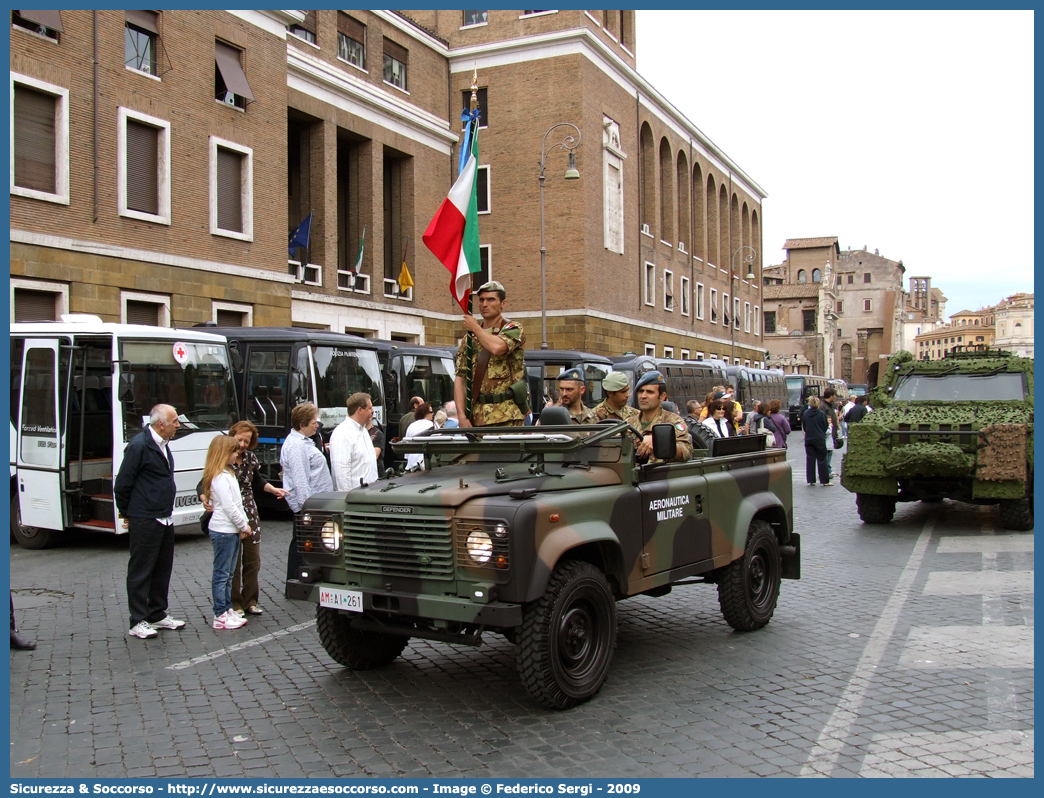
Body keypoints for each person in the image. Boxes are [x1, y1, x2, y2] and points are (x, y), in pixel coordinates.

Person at [114, 403, 186, 640]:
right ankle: (137, 620)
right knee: (141, 570)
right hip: (146, 517)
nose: (178, 425)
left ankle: (157, 613)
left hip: (164, 516)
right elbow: (123, 484)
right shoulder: (139, 446)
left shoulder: (164, 444)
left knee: (162, 568)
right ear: (161, 424)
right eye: (175, 421)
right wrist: (129, 512)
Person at [226, 421, 288, 617]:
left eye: (247, 441)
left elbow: (258, 480)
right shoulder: (223, 456)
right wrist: (204, 496)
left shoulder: (250, 458)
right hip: (230, 512)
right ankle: (235, 603)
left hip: (250, 511)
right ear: (232, 435)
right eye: (240, 440)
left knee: (253, 560)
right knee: (233, 562)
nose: (243, 444)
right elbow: (206, 480)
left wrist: (273, 489)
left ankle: (250, 601)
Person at [453, 281, 526, 428]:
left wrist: (474, 328)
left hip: (506, 417)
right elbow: (460, 378)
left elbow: (497, 347)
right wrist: (461, 416)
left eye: (491, 299)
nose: (484, 304)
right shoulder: (470, 338)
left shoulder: (513, 328)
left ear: (503, 303)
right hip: (477, 417)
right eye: (481, 300)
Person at [280, 402, 334, 587]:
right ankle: (296, 580)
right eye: (313, 422)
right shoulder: (296, 446)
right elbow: (300, 479)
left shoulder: (303, 442)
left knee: (304, 542)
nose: (317, 424)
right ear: (302, 425)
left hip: (315, 503)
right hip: (309, 506)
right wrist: (307, 509)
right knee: (302, 543)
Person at [201, 436, 251, 631]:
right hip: (223, 531)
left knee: (229, 573)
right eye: (233, 451)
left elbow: (236, 504)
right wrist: (243, 525)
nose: (236, 454)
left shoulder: (227, 474)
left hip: (229, 530)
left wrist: (242, 523)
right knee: (222, 574)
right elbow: (230, 507)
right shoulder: (220, 477)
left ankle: (227, 608)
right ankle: (220, 612)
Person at [634, 371, 692, 463]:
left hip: (661, 474)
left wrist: (659, 443)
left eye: (650, 392)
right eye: (641, 391)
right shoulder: (629, 423)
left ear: (662, 397)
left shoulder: (673, 421)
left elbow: (686, 451)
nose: (643, 396)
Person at [330, 392, 379, 491]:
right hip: (356, 498)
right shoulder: (342, 433)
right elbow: (342, 472)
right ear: (360, 410)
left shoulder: (363, 430)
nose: (372, 411)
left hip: (370, 493)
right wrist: (348, 500)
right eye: (369, 408)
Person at [802, 396, 831, 486]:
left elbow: (805, 425)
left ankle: (811, 480)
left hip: (809, 438)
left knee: (810, 459)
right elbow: (825, 425)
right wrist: (821, 432)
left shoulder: (806, 413)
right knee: (822, 459)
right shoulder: (821, 414)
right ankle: (824, 480)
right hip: (819, 438)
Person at [404, 402, 435, 471]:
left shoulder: (411, 426)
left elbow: (407, 451)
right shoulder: (433, 425)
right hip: (427, 464)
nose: (433, 414)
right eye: (431, 412)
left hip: (411, 464)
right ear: (426, 413)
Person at [821, 388, 843, 478]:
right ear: (831, 396)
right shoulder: (823, 406)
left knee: (830, 451)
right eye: (834, 395)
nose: (835, 397)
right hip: (827, 432)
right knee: (827, 451)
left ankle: (828, 469)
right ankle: (827, 470)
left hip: (832, 431)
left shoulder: (831, 405)